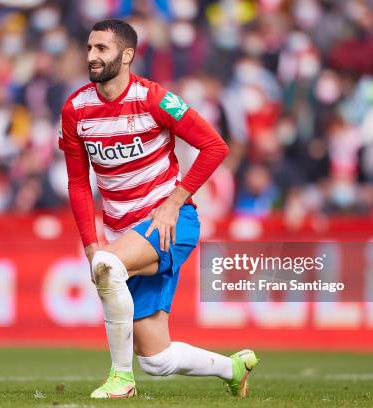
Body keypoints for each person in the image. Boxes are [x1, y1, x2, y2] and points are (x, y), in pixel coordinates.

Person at [59, 19, 258, 399]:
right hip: (124, 233)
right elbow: (78, 182)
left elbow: (215, 146)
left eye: (102, 49)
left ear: (127, 55)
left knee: (108, 266)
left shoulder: (153, 98)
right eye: (89, 48)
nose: (92, 56)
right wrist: (90, 242)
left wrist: (173, 202)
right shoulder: (75, 109)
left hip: (169, 222)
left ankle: (122, 380)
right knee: (157, 358)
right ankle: (233, 367)